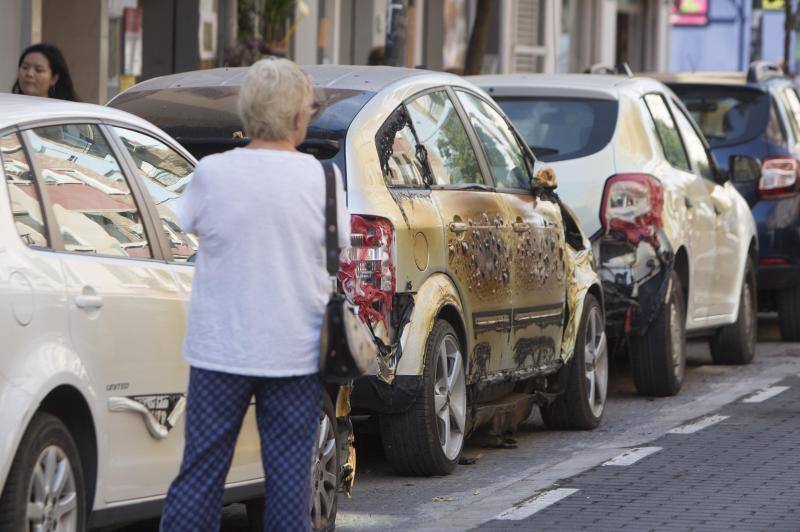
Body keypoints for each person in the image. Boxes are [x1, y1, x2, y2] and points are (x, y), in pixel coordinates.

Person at [159, 57, 348, 531]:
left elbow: (186, 224)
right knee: (288, 484)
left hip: (221, 348)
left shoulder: (213, 173)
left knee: (201, 476)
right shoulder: (325, 180)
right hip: (295, 351)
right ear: (296, 115)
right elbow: (336, 250)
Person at [12, 43, 79, 101]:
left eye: (39, 70)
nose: (29, 74)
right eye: (25, 67)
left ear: (54, 79)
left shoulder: (63, 112)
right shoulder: (6, 106)